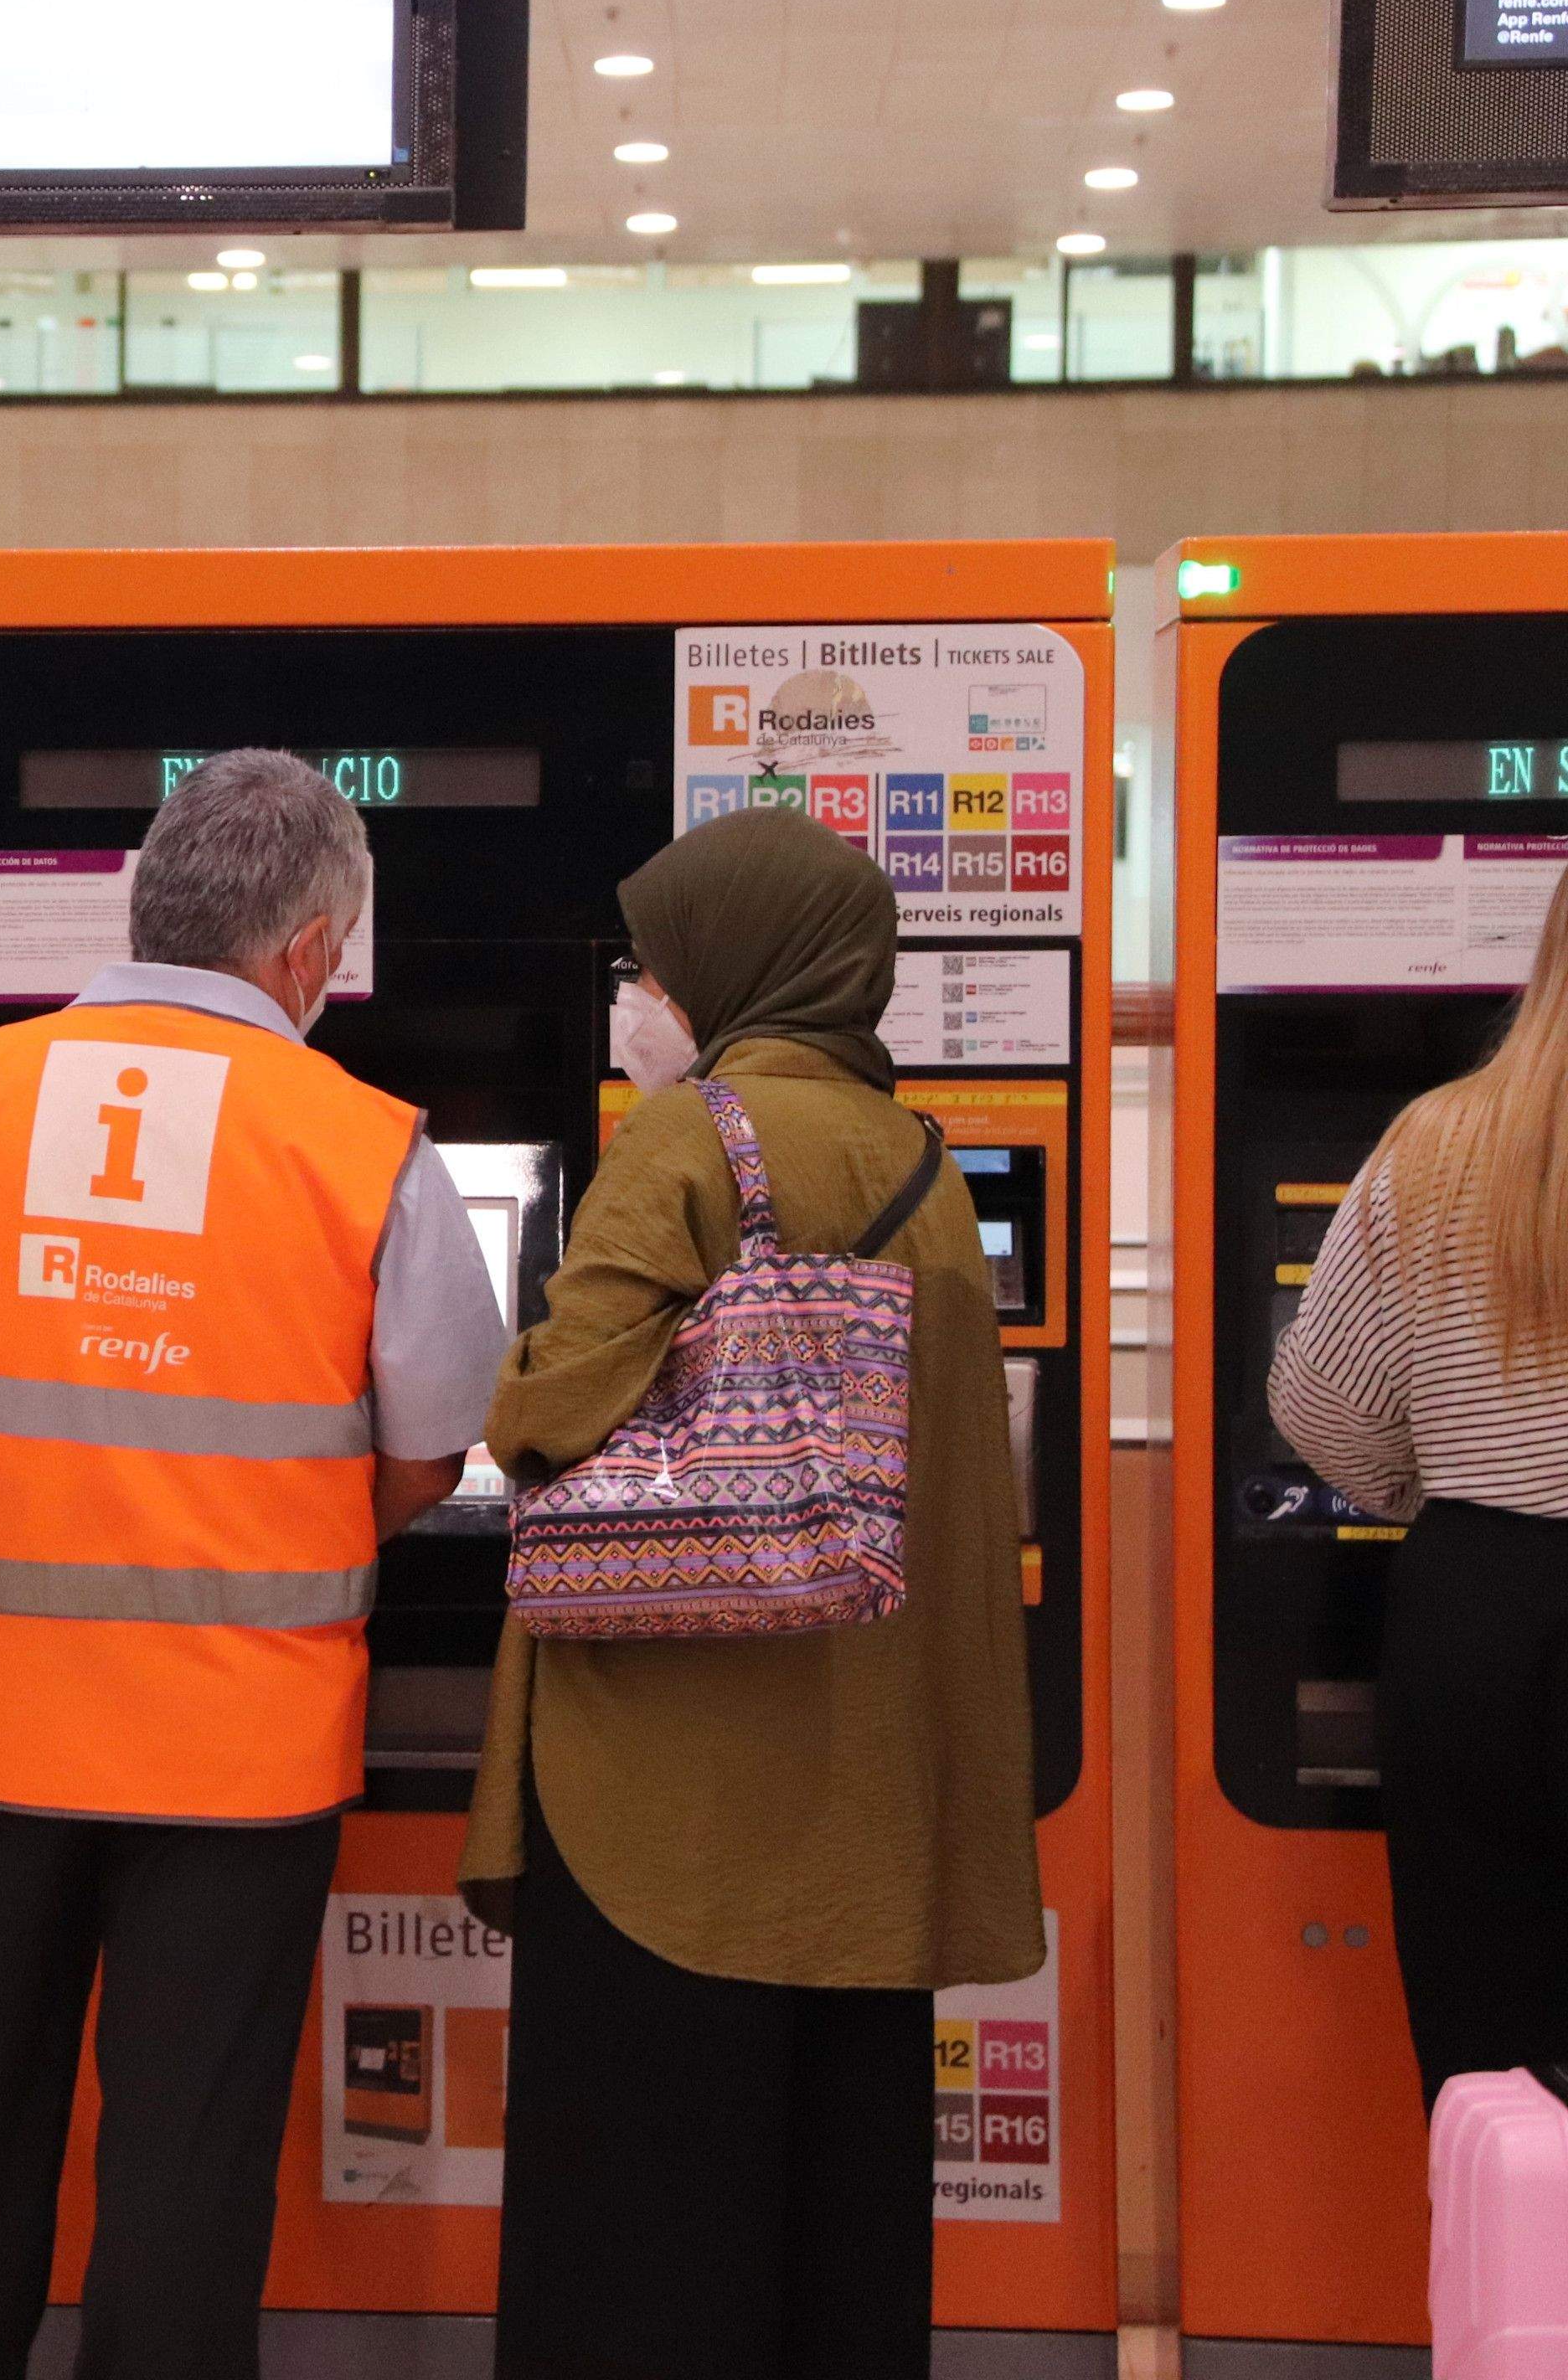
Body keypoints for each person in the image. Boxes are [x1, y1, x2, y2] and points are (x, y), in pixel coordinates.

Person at [0, 749, 508, 2380]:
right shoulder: (366, 1144)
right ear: (309, 947)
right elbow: (431, 1450)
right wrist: (277, 1534)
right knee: (188, 2152)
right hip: (239, 1753)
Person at [462, 805, 1042, 2380]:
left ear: (734, 966)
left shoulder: (691, 1139)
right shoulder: (925, 1165)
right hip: (865, 1803)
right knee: (834, 2243)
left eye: (652, 966)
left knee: (644, 2244)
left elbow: (544, 1414)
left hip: (671, 1805)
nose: (634, 996)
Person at [1271, 868, 1568, 2110]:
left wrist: (1430, 1481)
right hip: (1484, 1586)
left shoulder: (1437, 1142)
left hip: (1486, 1608)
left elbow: (1319, 1404)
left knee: (1491, 2055)